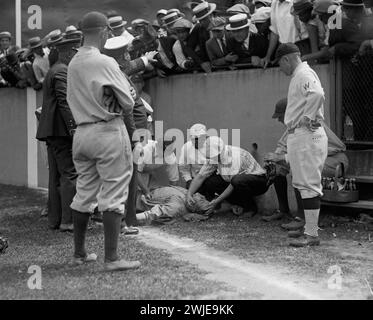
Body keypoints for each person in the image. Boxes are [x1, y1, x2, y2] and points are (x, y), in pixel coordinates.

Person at [67, 11, 141, 271]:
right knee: (113, 193)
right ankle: (112, 258)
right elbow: (129, 102)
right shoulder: (105, 61)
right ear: (101, 31)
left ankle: (79, 253)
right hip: (108, 129)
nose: (109, 34)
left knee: (84, 192)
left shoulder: (73, 62)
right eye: (107, 31)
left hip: (81, 131)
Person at [263, 98, 349, 235]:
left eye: (280, 116)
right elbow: (283, 145)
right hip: (316, 159)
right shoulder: (293, 125)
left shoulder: (308, 122)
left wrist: (281, 157)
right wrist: (274, 158)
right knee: (278, 170)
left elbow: (309, 151)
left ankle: (301, 217)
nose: (279, 120)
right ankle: (283, 210)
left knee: (298, 170)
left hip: (334, 160)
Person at [274, 43, 328, 247]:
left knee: (309, 186)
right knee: (303, 183)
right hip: (300, 135)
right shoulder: (301, 74)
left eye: (280, 63)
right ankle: (309, 230)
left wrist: (307, 116)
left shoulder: (303, 73)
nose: (281, 68)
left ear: (287, 59)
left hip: (307, 134)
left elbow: (317, 95)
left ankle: (312, 235)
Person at [103, 35, 156, 235]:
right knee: (128, 176)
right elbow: (128, 111)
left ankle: (127, 217)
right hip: (129, 134)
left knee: (128, 175)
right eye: (125, 52)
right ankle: (127, 220)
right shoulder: (118, 73)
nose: (128, 55)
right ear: (122, 56)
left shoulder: (117, 71)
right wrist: (135, 139)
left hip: (130, 133)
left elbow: (130, 67)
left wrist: (144, 59)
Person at [36, 35, 80, 232]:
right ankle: (68, 221)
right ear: (69, 52)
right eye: (75, 52)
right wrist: (74, 128)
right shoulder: (62, 70)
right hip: (61, 131)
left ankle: (56, 220)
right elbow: (64, 101)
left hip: (52, 131)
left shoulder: (55, 69)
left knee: (56, 176)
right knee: (70, 174)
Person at [186, 136, 270, 216]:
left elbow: (232, 185)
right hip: (235, 182)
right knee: (211, 181)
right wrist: (189, 194)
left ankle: (250, 208)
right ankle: (237, 204)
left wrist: (216, 201)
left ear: (220, 152)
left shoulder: (236, 156)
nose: (211, 158)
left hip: (259, 182)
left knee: (237, 181)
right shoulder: (214, 157)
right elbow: (201, 176)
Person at [261, 0, 308, 68]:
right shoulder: (275, 3)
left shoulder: (297, 1)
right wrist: (268, 56)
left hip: (301, 46)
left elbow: (306, 26)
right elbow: (275, 31)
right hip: (284, 49)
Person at [188, 1, 217, 73]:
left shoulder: (222, 24)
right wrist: (201, 63)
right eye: (200, 20)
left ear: (211, 15)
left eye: (204, 19)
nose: (202, 23)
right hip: (207, 67)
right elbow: (188, 48)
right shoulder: (198, 28)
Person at [179, 123, 208, 188]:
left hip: (210, 179)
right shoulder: (186, 147)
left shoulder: (213, 146)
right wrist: (188, 180)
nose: (197, 142)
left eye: (200, 139)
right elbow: (183, 167)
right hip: (194, 179)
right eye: (194, 140)